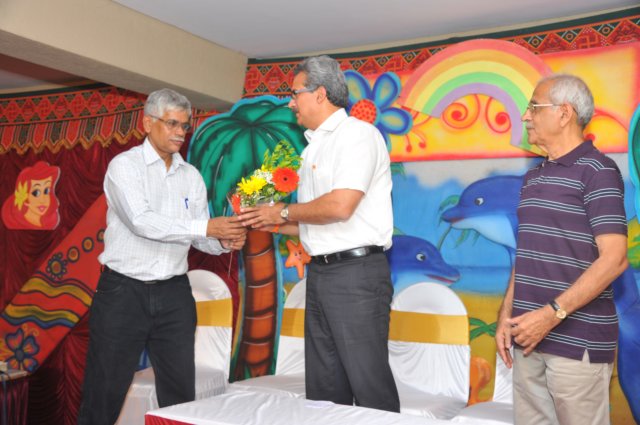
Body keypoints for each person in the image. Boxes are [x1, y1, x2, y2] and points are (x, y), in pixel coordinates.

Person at [239, 55, 400, 412]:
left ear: (320, 94)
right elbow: (314, 219)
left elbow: (340, 206)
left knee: (369, 387)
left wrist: (281, 211)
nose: (290, 103)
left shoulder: (358, 135)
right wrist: (268, 221)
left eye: (294, 93)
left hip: (356, 276)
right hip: (322, 273)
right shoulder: (313, 147)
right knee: (325, 387)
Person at [77, 88, 247, 425]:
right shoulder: (124, 166)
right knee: (104, 390)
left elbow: (198, 237)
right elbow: (141, 222)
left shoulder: (191, 176)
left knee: (179, 392)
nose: (180, 133)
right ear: (147, 123)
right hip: (123, 292)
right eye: (172, 124)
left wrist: (223, 241)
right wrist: (207, 228)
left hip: (174, 293)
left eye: (185, 126)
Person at [495, 74, 628, 425]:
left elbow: (615, 259)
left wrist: (550, 315)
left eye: (534, 107)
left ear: (564, 113)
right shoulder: (532, 177)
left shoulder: (598, 172)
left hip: (577, 342)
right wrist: (506, 315)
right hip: (528, 339)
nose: (525, 116)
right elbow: (526, 253)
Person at [1, 161, 60, 229]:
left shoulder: (51, 221)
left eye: (46, 191)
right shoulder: (14, 221)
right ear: (24, 196)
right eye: (36, 193)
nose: (43, 200)